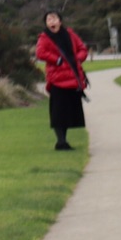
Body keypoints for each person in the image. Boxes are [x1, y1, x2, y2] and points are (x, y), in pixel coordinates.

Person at [34, 10, 89, 151]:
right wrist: (57, 60)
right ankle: (61, 141)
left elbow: (82, 48)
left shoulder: (70, 34)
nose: (52, 21)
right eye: (48, 19)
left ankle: (64, 140)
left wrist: (77, 59)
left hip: (73, 78)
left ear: (60, 21)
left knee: (70, 111)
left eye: (54, 18)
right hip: (57, 80)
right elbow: (40, 52)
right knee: (58, 112)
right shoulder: (44, 38)